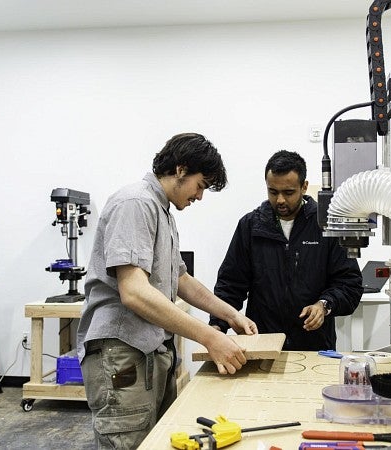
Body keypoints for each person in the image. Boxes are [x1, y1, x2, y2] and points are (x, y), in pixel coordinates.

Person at [76, 133, 258, 449]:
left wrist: (230, 314)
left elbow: (181, 280)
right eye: (200, 185)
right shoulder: (136, 203)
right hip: (122, 354)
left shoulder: (162, 212)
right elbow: (133, 291)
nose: (200, 196)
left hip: (148, 352)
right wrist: (210, 337)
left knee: (157, 442)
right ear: (180, 169)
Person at [210, 150, 363, 351]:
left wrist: (324, 305)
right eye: (273, 192)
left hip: (314, 347)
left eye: (288, 192)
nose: (280, 200)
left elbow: (349, 284)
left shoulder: (325, 226)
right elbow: (230, 285)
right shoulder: (251, 227)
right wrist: (217, 326)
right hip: (263, 344)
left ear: (304, 187)